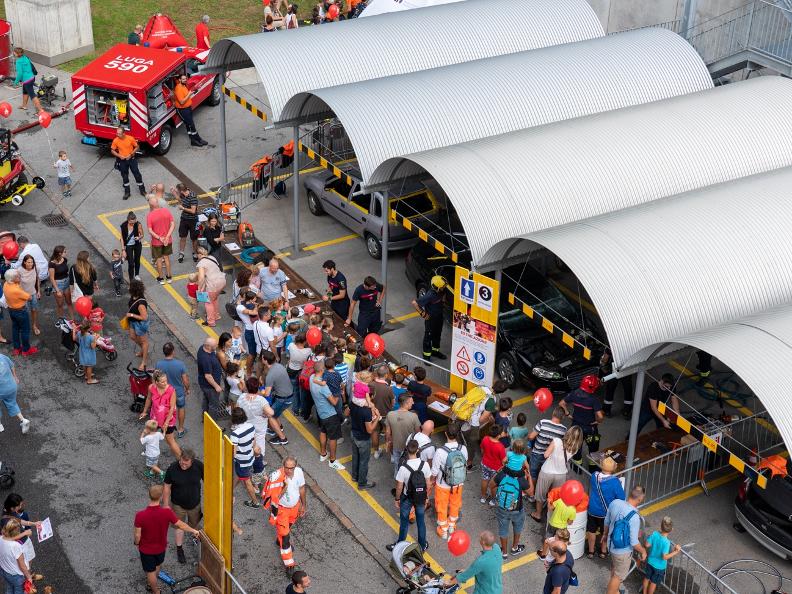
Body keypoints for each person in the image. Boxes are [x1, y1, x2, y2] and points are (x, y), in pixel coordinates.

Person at [134, 484, 200, 594]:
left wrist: (137, 543)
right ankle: (154, 584)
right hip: (161, 547)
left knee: (150, 572)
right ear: (160, 497)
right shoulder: (166, 512)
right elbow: (181, 525)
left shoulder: (140, 515)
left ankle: (155, 590)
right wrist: (194, 531)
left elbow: (137, 535)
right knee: (157, 566)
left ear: (149, 496)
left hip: (146, 549)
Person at [262, 456, 306, 571]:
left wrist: (303, 504)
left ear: (295, 466)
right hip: (282, 511)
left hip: (295, 508)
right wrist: (284, 487)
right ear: (283, 466)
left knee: (287, 529)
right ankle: (289, 564)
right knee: (286, 537)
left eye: (292, 468)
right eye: (287, 468)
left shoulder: (299, 472)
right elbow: (274, 499)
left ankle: (279, 540)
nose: (289, 471)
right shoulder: (277, 478)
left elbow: (301, 488)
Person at [387, 439, 431, 552]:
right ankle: (422, 545)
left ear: (406, 450)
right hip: (420, 498)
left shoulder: (403, 468)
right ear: (418, 450)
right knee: (421, 522)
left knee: (404, 522)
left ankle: (400, 544)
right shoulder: (425, 465)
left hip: (407, 498)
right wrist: (426, 497)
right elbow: (428, 483)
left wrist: (397, 499)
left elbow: (399, 487)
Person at [533, 426, 583, 523]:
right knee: (555, 497)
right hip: (561, 474)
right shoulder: (575, 448)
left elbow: (545, 455)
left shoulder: (556, 441)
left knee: (540, 494)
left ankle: (538, 514)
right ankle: (551, 516)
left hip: (547, 471)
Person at [162, 450, 204, 565]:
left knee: (194, 525)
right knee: (178, 527)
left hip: (195, 504)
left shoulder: (199, 466)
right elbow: (166, 487)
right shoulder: (172, 468)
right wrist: (165, 505)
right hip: (177, 505)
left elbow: (209, 481)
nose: (183, 465)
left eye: (186, 464)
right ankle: (179, 549)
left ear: (192, 461)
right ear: (179, 458)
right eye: (181, 462)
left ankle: (196, 539)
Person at [603, 486, 647, 594]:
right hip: (622, 552)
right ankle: (612, 591)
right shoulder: (634, 517)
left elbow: (607, 522)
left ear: (630, 493)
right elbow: (634, 542)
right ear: (640, 499)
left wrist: (604, 535)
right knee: (618, 576)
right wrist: (643, 551)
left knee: (615, 567)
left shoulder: (615, 502)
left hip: (611, 544)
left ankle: (616, 590)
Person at [431, 423, 468, 540]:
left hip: (443, 484)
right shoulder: (463, 449)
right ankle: (452, 525)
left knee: (442, 506)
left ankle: (443, 530)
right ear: (457, 435)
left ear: (445, 433)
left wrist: (431, 481)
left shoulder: (440, 452)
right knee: (455, 504)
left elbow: (435, 471)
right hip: (458, 483)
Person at [460, 380, 507, 471]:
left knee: (462, 437)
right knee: (471, 444)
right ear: (502, 392)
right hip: (472, 421)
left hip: (463, 413)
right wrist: (479, 424)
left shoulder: (481, 387)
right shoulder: (491, 400)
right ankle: (469, 464)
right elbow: (483, 418)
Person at [559, 375, 604, 470]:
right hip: (590, 428)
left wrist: (567, 414)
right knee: (594, 448)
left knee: (576, 447)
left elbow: (561, 403)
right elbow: (600, 416)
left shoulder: (574, 394)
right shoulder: (594, 400)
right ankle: (593, 468)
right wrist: (598, 422)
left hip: (576, 426)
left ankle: (577, 467)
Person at [490, 457, 531, 558]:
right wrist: (529, 476)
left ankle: (504, 553)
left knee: (503, 530)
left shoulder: (502, 475)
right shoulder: (521, 479)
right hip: (517, 509)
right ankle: (514, 548)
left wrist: (497, 500)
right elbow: (531, 492)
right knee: (517, 527)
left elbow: (491, 485)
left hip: (502, 508)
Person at [586, 456, 625, 559]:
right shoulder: (615, 482)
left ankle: (591, 551)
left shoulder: (595, 476)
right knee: (605, 532)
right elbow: (621, 497)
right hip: (605, 513)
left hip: (592, 509)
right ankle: (603, 551)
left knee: (591, 530)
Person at [310, 360, 345, 470]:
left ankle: (323, 453)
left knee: (323, 431)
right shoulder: (323, 387)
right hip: (330, 414)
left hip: (321, 412)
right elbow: (334, 402)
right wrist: (339, 392)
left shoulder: (312, 379)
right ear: (321, 370)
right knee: (333, 437)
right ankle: (333, 460)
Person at [140, 369, 182, 459]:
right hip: (155, 417)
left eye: (166, 381)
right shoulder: (151, 387)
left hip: (168, 419)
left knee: (170, 440)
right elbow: (148, 399)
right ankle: (149, 450)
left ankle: (181, 458)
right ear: (156, 382)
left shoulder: (171, 391)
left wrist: (166, 422)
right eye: (162, 382)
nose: (165, 383)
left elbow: (172, 408)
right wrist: (144, 411)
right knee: (151, 434)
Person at [527, 407, 567, 492]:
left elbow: (531, 437)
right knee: (543, 475)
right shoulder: (564, 430)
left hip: (537, 453)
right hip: (550, 456)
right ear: (563, 417)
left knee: (533, 474)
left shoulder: (543, 422)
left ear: (553, 413)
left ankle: (532, 493)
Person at [349, 382, 380, 489]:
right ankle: (362, 483)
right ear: (371, 396)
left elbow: (346, 413)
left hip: (353, 433)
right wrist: (377, 418)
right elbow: (370, 430)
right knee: (363, 462)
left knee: (355, 456)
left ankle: (354, 476)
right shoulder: (366, 411)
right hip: (363, 438)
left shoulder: (353, 402)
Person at [156, 343, 190, 438]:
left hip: (166, 393)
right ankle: (180, 429)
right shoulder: (180, 364)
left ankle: (166, 427)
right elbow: (185, 380)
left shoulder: (158, 364)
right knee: (181, 408)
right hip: (178, 392)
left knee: (167, 409)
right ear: (173, 352)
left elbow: (156, 379)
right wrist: (187, 389)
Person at [642, 516, 681, 594]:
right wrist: (675, 552)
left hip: (650, 562)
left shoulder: (655, 533)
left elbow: (646, 545)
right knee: (653, 583)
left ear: (661, 526)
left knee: (646, 578)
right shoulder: (666, 542)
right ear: (671, 530)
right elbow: (664, 556)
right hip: (659, 567)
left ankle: (644, 592)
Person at [230, 408, 260, 508]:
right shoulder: (251, 426)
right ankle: (229, 489)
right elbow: (254, 441)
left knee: (247, 482)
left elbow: (233, 452)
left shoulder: (235, 434)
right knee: (241, 475)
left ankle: (255, 502)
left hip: (241, 461)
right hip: (250, 457)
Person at [412, 275, 447, 361]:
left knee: (437, 335)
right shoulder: (430, 295)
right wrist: (423, 313)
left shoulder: (441, 290)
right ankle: (426, 355)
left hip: (439, 317)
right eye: (442, 287)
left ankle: (435, 351)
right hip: (431, 319)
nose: (444, 288)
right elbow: (414, 303)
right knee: (429, 336)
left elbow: (443, 295)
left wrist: (443, 301)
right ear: (437, 287)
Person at [385, 394, 421, 477]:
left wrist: (388, 442)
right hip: (409, 448)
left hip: (395, 445)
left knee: (397, 462)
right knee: (408, 465)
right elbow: (418, 433)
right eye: (412, 402)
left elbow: (387, 432)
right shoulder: (414, 416)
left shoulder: (390, 414)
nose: (413, 403)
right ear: (407, 403)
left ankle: (397, 475)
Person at [2, 270, 35, 356]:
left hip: (11, 310)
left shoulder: (6, 284)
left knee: (15, 328)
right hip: (21, 311)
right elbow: (29, 297)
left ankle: (16, 348)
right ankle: (26, 350)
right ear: (12, 279)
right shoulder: (16, 290)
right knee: (25, 330)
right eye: (17, 276)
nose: (19, 277)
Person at [111, 126, 145, 199]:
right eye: (117, 133)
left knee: (137, 174)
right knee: (125, 176)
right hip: (122, 161)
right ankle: (127, 192)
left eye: (119, 134)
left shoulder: (130, 138)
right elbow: (112, 150)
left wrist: (131, 154)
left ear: (124, 133)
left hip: (132, 159)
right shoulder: (115, 140)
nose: (117, 135)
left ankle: (142, 190)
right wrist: (119, 156)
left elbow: (137, 147)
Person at [174, 74, 208, 147]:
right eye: (183, 79)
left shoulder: (184, 86)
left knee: (188, 125)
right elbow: (182, 102)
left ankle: (193, 141)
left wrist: (194, 90)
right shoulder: (178, 88)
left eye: (185, 79)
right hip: (183, 110)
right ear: (179, 80)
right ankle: (198, 139)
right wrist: (189, 94)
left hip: (187, 108)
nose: (185, 80)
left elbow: (186, 96)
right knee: (191, 125)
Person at [146, 197, 175, 284]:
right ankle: (169, 277)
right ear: (158, 203)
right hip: (167, 240)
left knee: (159, 259)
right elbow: (172, 225)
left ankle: (161, 278)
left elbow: (150, 230)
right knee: (166, 258)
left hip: (157, 242)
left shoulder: (150, 215)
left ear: (150, 205)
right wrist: (167, 236)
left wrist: (159, 238)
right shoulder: (166, 211)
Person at [196, 246, 226, 327]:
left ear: (199, 255)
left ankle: (211, 322)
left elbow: (201, 278)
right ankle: (216, 315)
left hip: (213, 284)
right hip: (222, 281)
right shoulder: (212, 257)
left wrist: (199, 288)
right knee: (215, 299)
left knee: (208, 302)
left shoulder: (201, 264)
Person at [599, 348, 633, 418]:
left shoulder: (612, 345)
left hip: (614, 370)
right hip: (627, 368)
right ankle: (627, 411)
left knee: (610, 389)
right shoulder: (630, 345)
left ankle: (607, 410)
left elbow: (604, 359)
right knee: (628, 389)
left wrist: (602, 366)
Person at [0, 519, 32, 593]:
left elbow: (9, 539)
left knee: (9, 588)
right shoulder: (15, 546)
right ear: (16, 532)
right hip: (16, 575)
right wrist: (28, 576)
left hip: (5, 571)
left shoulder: (1, 539)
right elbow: (22, 565)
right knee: (18, 591)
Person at [0, 352, 29, 434]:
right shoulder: (2, 356)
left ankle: (0, 426)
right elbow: (12, 366)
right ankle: (23, 420)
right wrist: (15, 377)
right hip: (12, 386)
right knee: (12, 403)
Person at [197, 337, 224, 421]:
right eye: (215, 346)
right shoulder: (206, 359)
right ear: (208, 346)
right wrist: (216, 386)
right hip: (210, 386)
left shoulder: (202, 348)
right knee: (214, 405)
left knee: (206, 400)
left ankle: (204, 417)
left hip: (204, 384)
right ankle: (212, 424)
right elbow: (208, 376)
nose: (216, 346)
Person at [126, 280, 150, 370]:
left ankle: (144, 361)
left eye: (130, 286)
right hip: (132, 322)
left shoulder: (141, 304)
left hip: (139, 324)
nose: (128, 287)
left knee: (144, 341)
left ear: (133, 289)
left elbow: (144, 317)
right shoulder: (134, 296)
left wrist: (131, 315)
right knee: (132, 337)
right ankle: (144, 350)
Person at [480, 424, 505, 506]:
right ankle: (493, 501)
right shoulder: (500, 447)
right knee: (494, 485)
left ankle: (483, 497)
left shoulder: (485, 439)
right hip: (495, 468)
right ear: (498, 436)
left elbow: (482, 450)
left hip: (485, 463)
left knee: (484, 480)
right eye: (501, 433)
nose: (502, 434)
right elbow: (504, 460)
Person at [17, 255, 41, 337]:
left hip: (33, 293)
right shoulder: (19, 271)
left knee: (34, 310)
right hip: (23, 296)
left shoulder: (35, 268)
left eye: (32, 262)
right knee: (25, 313)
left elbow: (38, 279)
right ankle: (24, 327)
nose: (31, 264)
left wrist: (38, 291)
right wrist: (22, 295)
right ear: (24, 262)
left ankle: (34, 325)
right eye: (29, 262)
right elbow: (17, 284)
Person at [175, 183, 199, 263]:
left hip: (193, 220)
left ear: (182, 191)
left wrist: (183, 208)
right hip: (184, 219)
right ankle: (181, 253)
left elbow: (193, 211)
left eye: (178, 191)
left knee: (194, 238)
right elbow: (181, 201)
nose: (178, 192)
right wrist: (174, 193)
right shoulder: (183, 194)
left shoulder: (192, 197)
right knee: (182, 237)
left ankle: (195, 253)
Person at [48, 245, 74, 319]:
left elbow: (66, 271)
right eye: (65, 251)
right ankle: (61, 320)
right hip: (58, 284)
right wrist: (57, 290)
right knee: (60, 304)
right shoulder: (52, 264)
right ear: (60, 253)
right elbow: (52, 278)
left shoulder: (64, 259)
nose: (66, 252)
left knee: (69, 302)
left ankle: (72, 319)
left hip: (66, 282)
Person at [12, 48, 41, 113]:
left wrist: (16, 82)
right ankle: (24, 105)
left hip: (27, 80)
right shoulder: (25, 57)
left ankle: (41, 110)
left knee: (32, 95)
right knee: (25, 92)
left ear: (17, 54)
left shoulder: (18, 61)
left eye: (14, 52)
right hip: (32, 77)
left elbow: (20, 73)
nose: (13, 53)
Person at [120, 211, 144, 282]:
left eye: (134, 222)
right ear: (128, 220)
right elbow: (122, 238)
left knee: (137, 260)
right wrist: (123, 250)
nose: (133, 224)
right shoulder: (123, 225)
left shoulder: (138, 224)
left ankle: (136, 275)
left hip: (137, 245)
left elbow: (142, 234)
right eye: (131, 223)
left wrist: (139, 238)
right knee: (131, 263)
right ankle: (131, 279)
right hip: (128, 245)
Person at [74, 320, 98, 384]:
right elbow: (93, 347)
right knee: (89, 366)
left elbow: (74, 339)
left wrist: (74, 330)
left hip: (82, 352)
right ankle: (89, 380)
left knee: (84, 365)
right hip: (89, 354)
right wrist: (95, 338)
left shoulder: (79, 333)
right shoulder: (91, 337)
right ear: (89, 328)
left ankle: (86, 375)